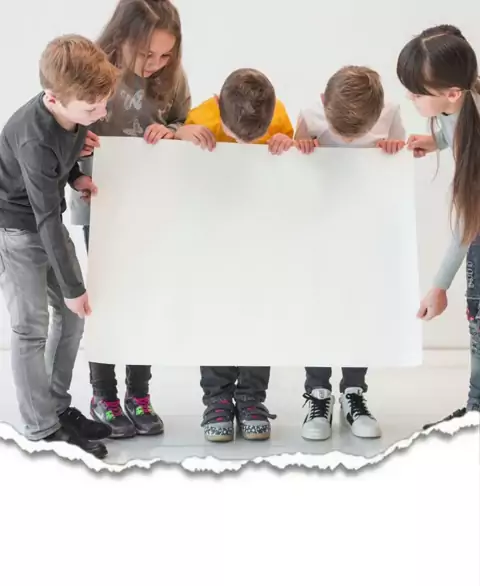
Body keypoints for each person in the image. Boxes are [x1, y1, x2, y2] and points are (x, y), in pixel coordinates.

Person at [71, 0, 192, 439]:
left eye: (165, 55)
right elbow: (60, 119)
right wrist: (78, 140)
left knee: (143, 296)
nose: (155, 63)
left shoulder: (172, 77)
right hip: (101, 201)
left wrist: (173, 133)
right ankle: (102, 394)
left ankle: (138, 393)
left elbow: (186, 123)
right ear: (122, 37)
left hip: (151, 204)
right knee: (105, 298)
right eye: (146, 54)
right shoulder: (92, 68)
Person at [0, 35, 118, 459]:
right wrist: (72, 287)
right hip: (17, 228)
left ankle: (56, 407)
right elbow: (46, 218)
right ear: (53, 99)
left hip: (44, 220)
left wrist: (75, 176)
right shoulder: (33, 139)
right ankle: (40, 427)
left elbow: (59, 160)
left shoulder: (74, 110)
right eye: (91, 109)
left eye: (104, 103)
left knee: (72, 319)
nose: (101, 114)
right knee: (30, 327)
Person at [179, 68, 295, 442]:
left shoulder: (278, 115)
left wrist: (286, 142)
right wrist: (180, 134)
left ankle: (251, 397)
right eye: (236, 136)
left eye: (254, 139)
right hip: (212, 239)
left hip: (261, 238)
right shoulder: (203, 116)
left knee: (258, 314)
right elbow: (175, 158)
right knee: (215, 315)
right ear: (218, 106)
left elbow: (293, 161)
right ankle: (216, 397)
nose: (246, 144)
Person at [295, 66, 406, 440]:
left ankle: (354, 392)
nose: (347, 138)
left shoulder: (389, 113)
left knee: (360, 307)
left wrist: (392, 149)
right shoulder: (311, 115)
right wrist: (301, 146)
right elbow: (295, 169)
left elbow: (397, 166)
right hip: (319, 230)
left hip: (366, 232)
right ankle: (317, 393)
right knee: (319, 306)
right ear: (324, 102)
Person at [397, 25, 480, 422]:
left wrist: (439, 286)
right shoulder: (461, 103)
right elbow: (455, 124)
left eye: (417, 93)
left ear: (451, 93)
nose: (410, 98)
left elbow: (468, 222)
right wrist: (437, 141)